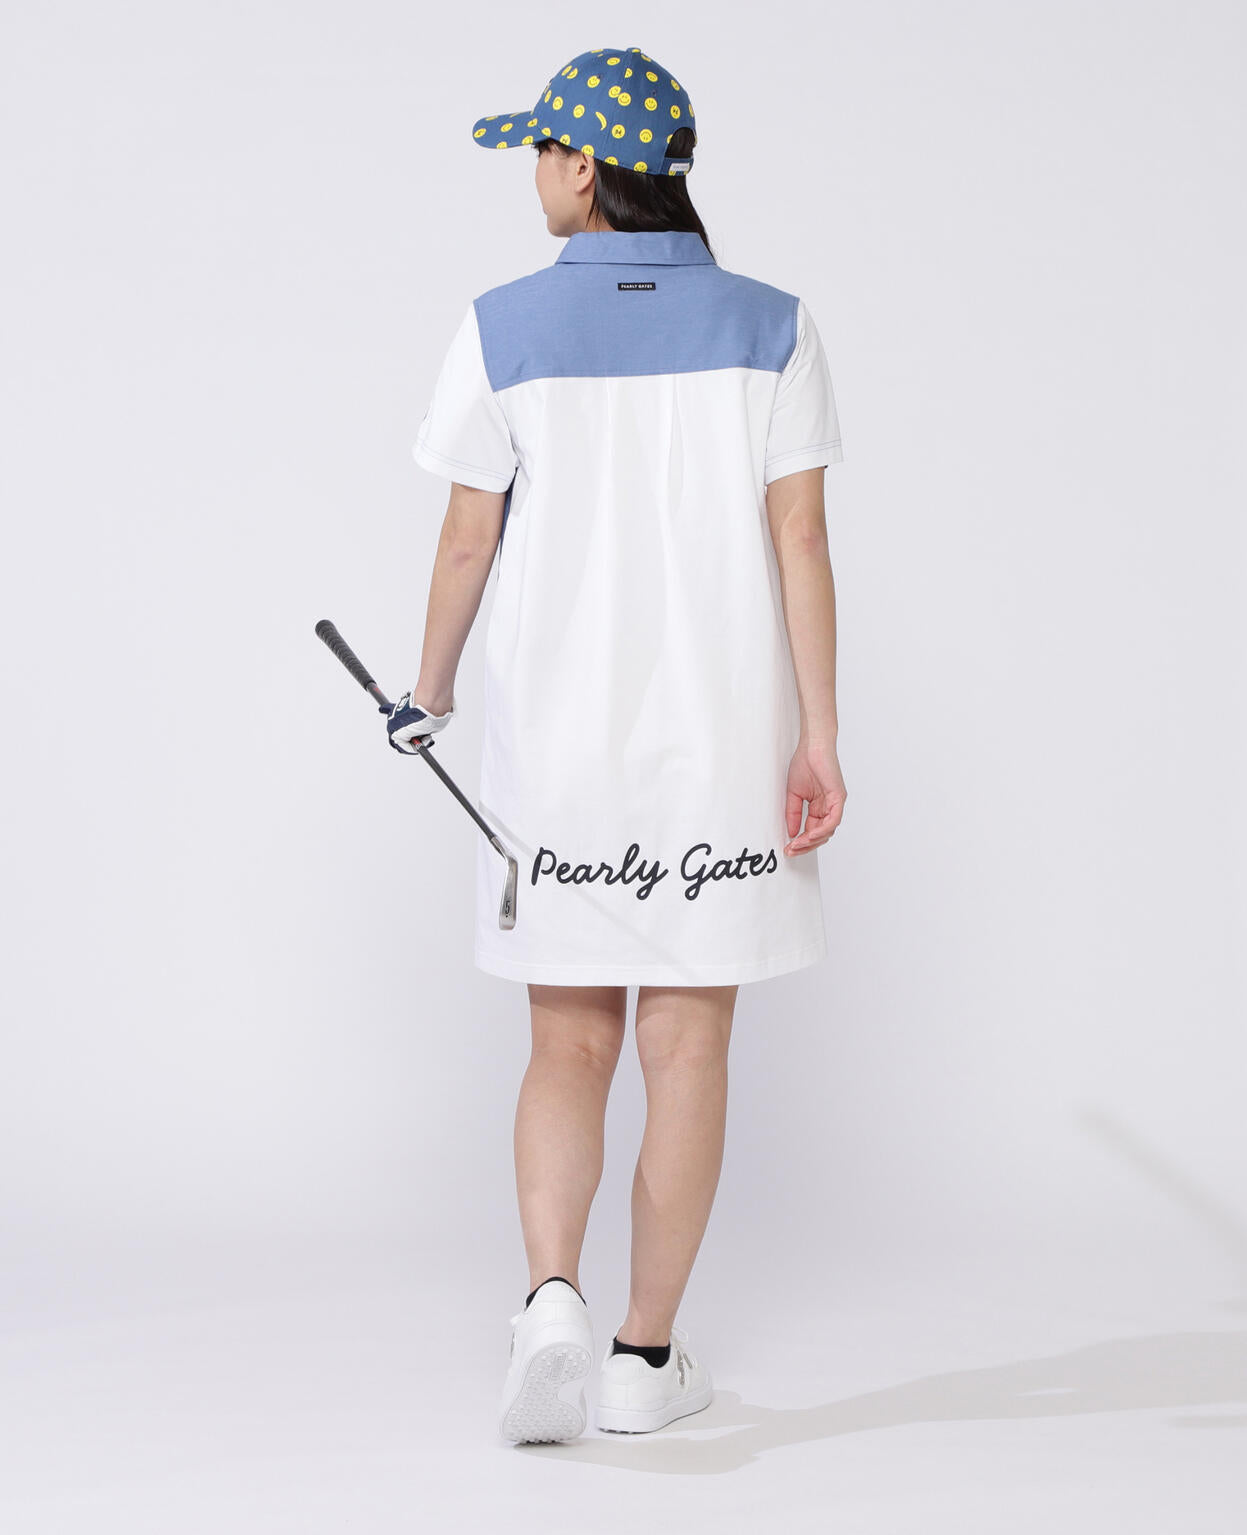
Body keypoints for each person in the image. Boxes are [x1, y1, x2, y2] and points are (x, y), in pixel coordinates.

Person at [388, 45, 847, 1443]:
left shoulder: (502, 326)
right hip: (722, 746)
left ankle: (550, 1302)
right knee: (688, 1048)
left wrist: (427, 694)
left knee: (568, 1041)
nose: (533, 174)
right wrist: (821, 736)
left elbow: (465, 539)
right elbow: (801, 538)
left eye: (539, 152)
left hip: (560, 752)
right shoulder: (776, 326)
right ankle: (646, 1362)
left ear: (583, 168)